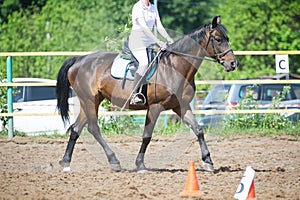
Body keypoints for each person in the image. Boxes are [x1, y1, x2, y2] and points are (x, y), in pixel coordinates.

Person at [129, 0, 173, 105]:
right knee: (144, 63)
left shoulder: (153, 7)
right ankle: (135, 94)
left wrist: (169, 38)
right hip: (137, 41)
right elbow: (145, 28)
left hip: (150, 42)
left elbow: (159, 26)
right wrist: (158, 41)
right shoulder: (138, 7)